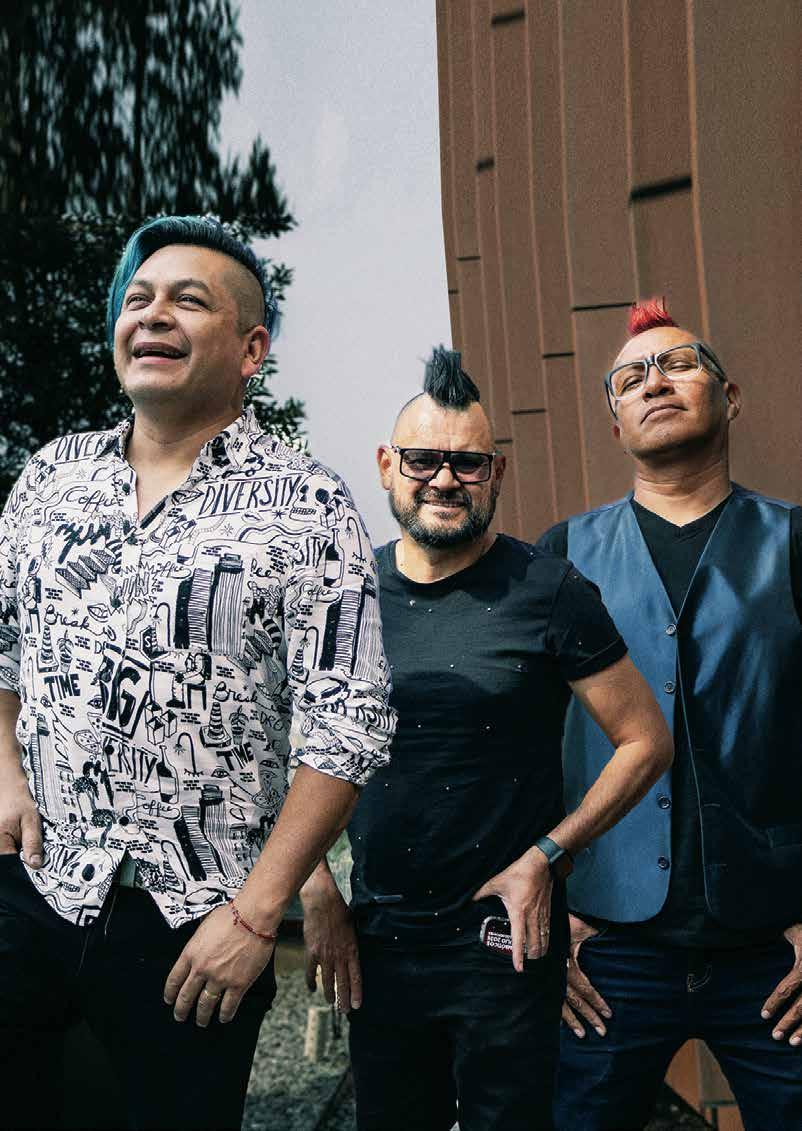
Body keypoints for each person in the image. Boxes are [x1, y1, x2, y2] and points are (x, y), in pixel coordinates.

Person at [0, 215, 396, 1130]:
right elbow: (3, 642)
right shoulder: (50, 476)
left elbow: (347, 727)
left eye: (187, 300)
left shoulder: (307, 503)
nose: (152, 314)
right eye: (137, 298)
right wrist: (5, 775)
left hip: (196, 923)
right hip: (34, 884)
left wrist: (257, 917)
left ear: (251, 349)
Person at [300, 347, 673, 1131]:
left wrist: (548, 855)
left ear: (495, 473)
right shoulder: (345, 599)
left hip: (504, 939)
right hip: (381, 939)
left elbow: (644, 740)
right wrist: (314, 884)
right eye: (423, 459)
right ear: (387, 465)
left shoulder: (548, 588)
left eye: (466, 463)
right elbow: (283, 746)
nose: (445, 479)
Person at [539, 299, 802, 1131]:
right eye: (630, 377)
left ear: (730, 397)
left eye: (679, 364)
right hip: (609, 944)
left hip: (775, 943)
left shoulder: (792, 540)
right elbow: (523, 747)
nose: (654, 381)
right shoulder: (562, 555)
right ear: (614, 422)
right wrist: (551, 908)